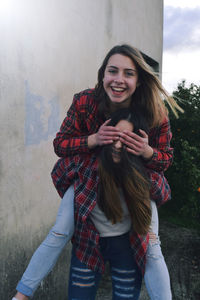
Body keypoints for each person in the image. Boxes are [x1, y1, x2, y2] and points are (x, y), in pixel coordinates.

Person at [13, 44, 183, 300]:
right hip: (88, 176)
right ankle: (22, 295)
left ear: (138, 80)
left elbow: (165, 160)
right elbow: (60, 144)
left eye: (129, 73)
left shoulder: (154, 112)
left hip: (136, 179)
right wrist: (92, 139)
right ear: (103, 75)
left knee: (152, 246)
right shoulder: (85, 101)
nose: (119, 80)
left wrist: (147, 152)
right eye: (112, 71)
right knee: (59, 230)